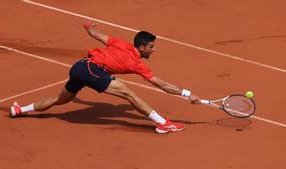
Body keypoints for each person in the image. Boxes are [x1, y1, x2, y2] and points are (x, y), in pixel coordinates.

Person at [10, 20, 201, 134]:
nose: (154, 49)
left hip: (79, 67)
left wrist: (88, 28)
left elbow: (96, 35)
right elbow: (161, 84)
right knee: (129, 94)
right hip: (92, 69)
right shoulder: (137, 63)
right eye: (151, 46)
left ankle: (21, 109)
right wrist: (187, 93)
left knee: (60, 100)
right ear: (142, 47)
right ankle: (163, 124)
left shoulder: (120, 43)